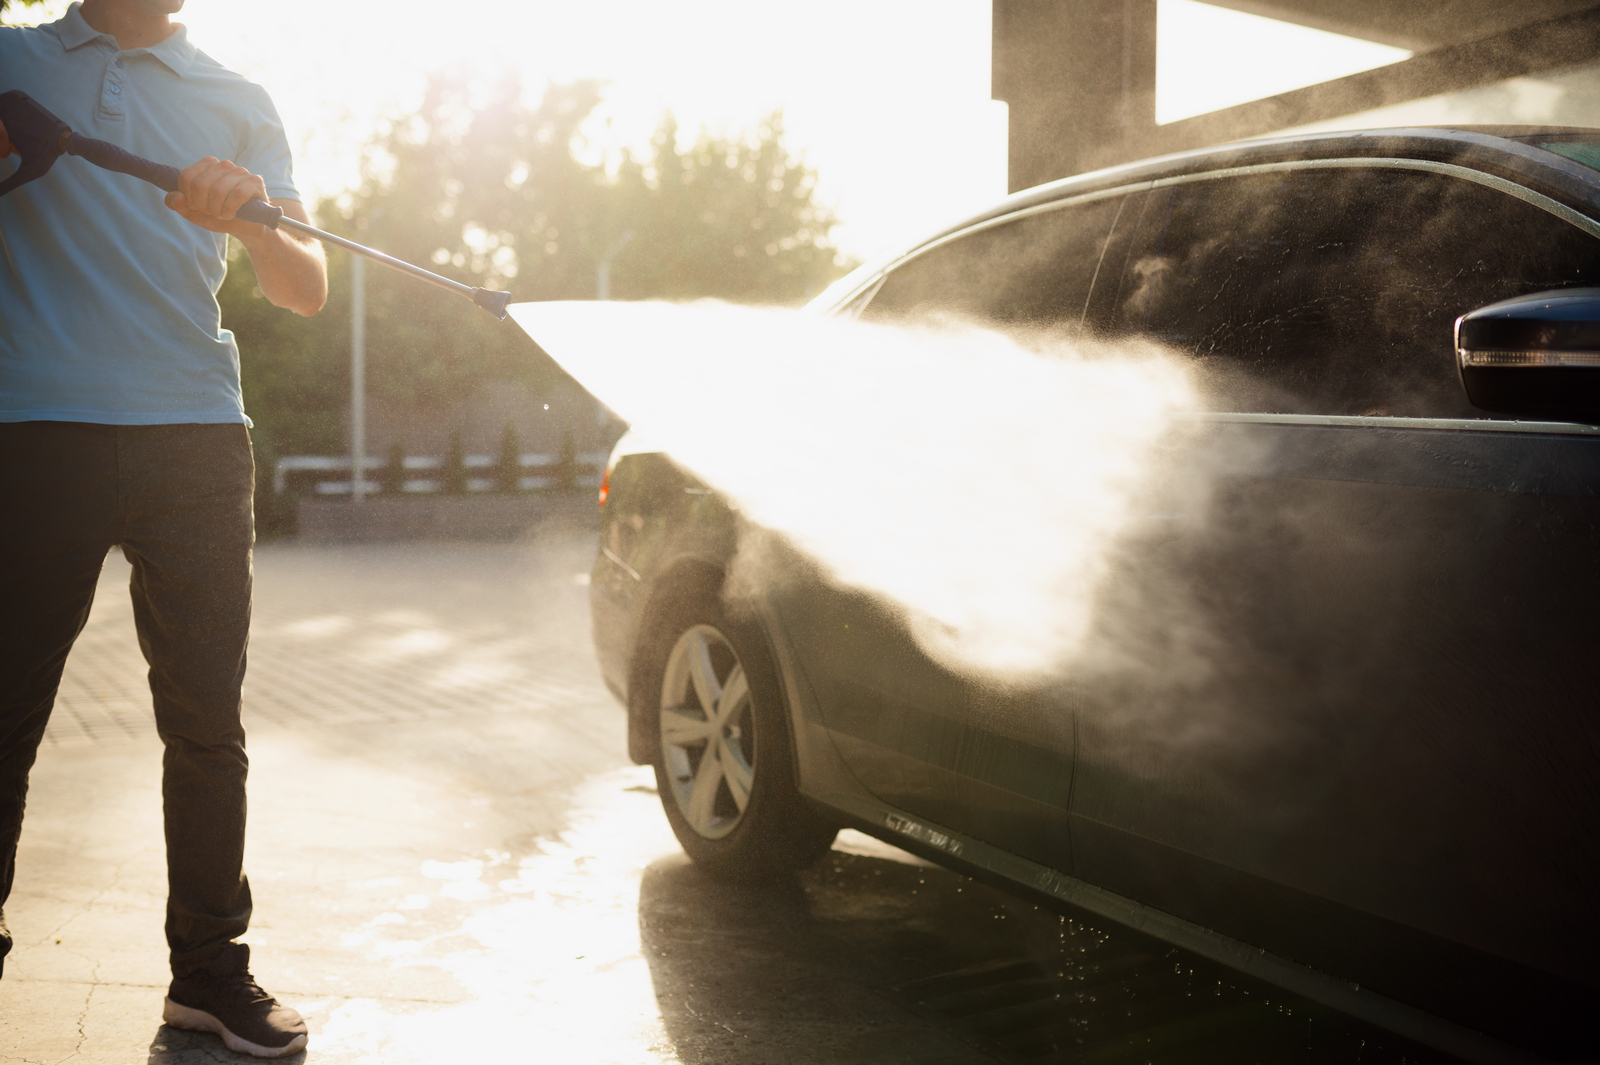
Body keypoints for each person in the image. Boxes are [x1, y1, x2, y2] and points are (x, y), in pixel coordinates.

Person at [0, 0, 326, 1057]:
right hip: (31, 424)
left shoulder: (238, 100)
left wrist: (248, 218)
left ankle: (209, 975)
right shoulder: (10, 59)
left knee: (206, 723)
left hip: (192, 434)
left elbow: (303, 287)